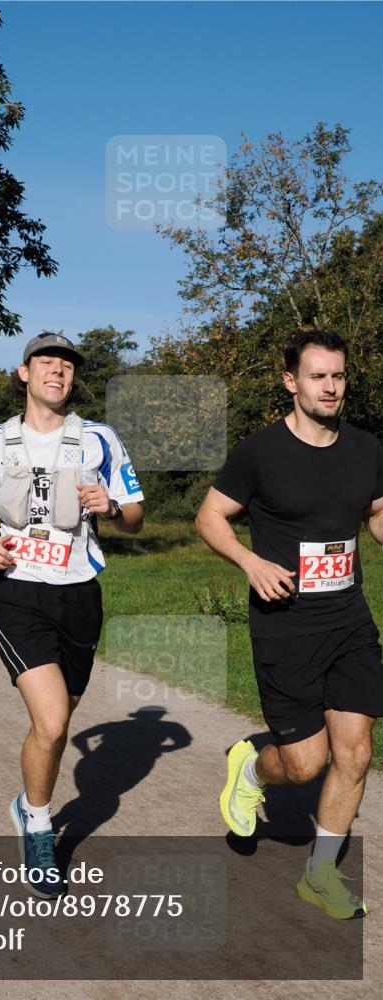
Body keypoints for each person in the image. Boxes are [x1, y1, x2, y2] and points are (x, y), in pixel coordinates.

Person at [196, 330, 383, 920]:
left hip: (349, 620)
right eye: (318, 376)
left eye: (339, 376)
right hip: (285, 626)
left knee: (354, 751)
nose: (331, 387)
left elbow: (376, 511)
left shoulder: (367, 448)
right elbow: (210, 517)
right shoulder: (260, 452)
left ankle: (319, 873)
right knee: (305, 764)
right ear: (291, 382)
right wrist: (250, 562)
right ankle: (249, 766)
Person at [0, 332, 144, 897]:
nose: (57, 372)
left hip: (79, 590)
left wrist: (111, 509)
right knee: (55, 719)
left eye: (66, 366)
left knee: (59, 722)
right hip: (16, 590)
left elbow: (135, 515)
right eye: (46, 363)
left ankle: (26, 796)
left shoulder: (100, 440)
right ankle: (37, 821)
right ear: (24, 373)